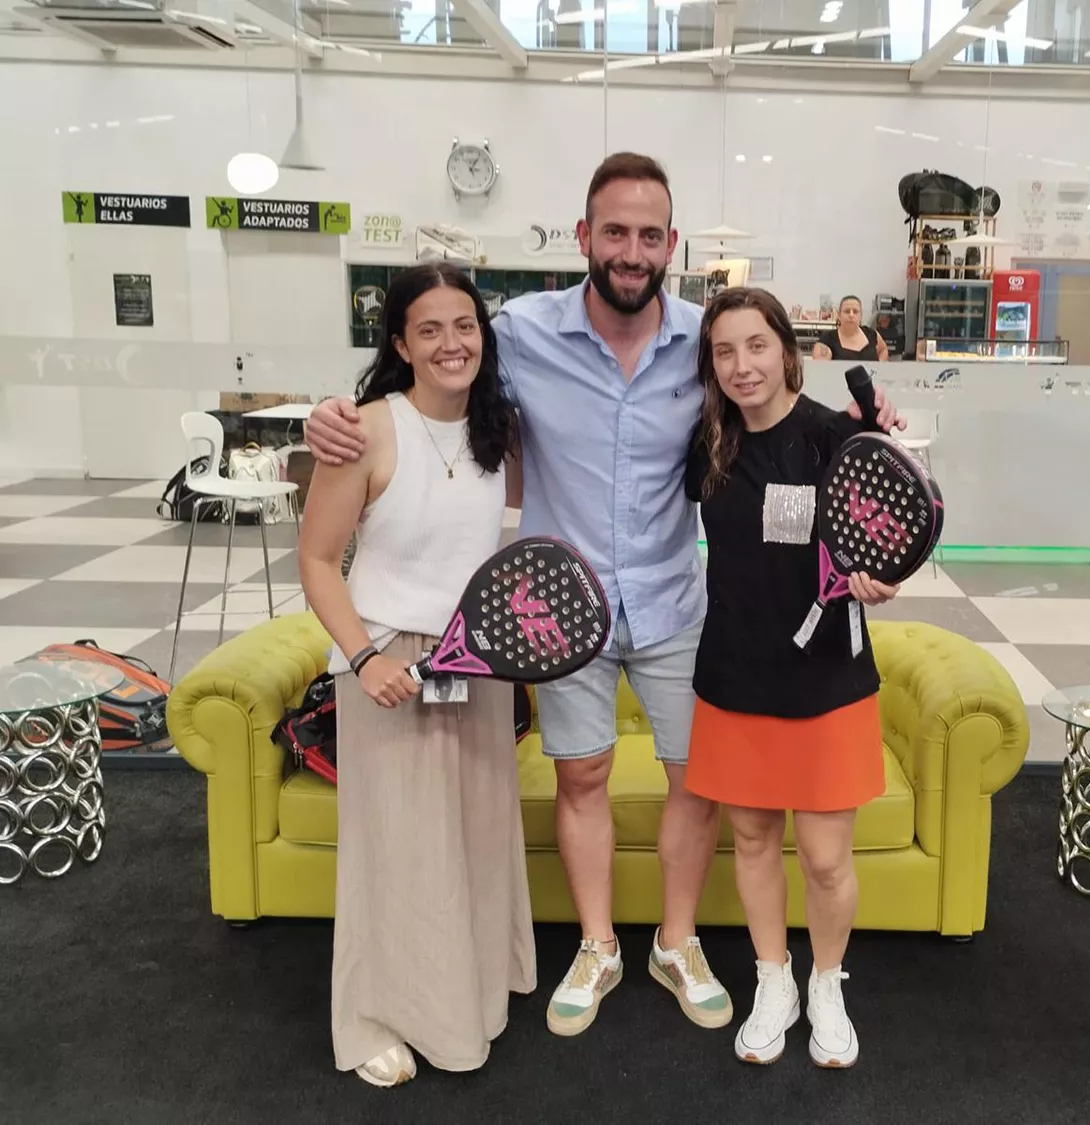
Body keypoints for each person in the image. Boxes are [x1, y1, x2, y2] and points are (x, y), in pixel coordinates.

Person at [302, 152, 901, 1041]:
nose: (631, 249)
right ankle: (595, 944)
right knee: (580, 773)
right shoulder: (522, 332)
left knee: (695, 783)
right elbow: (441, 379)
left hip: (674, 604)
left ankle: (676, 940)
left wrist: (861, 437)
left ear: (672, 244)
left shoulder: (708, 342)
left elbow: (777, 417)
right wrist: (340, 412)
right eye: (614, 231)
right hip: (560, 609)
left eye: (649, 234)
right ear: (584, 237)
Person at [297, 261, 535, 1086]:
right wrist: (363, 659)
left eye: (464, 325)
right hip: (388, 662)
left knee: (469, 837)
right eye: (428, 329)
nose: (450, 343)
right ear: (399, 340)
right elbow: (319, 561)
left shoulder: (500, 431)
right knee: (395, 848)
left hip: (477, 660)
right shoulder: (363, 429)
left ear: (483, 334)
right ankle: (372, 1018)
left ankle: (462, 996)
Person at [684, 287, 898, 1068]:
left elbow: (884, 536)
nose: (742, 366)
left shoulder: (834, 438)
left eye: (756, 345)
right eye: (724, 351)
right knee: (749, 838)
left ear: (786, 348)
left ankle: (828, 982)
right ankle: (773, 978)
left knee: (825, 857)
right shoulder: (707, 441)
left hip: (826, 678)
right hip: (736, 671)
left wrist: (879, 576)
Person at [811, 295, 889, 363]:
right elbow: (821, 367)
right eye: (847, 311)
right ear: (839, 315)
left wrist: (880, 367)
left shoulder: (872, 334)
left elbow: (883, 349)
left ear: (861, 315)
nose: (851, 315)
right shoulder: (827, 339)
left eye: (855, 311)